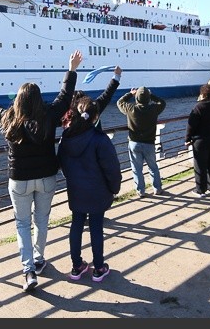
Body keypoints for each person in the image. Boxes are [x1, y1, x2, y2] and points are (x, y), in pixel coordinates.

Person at [0, 50, 83, 292]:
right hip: (46, 177)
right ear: (37, 98)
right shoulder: (48, 116)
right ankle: (38, 258)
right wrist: (71, 69)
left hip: (19, 180)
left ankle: (28, 271)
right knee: (41, 220)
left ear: (18, 100)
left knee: (22, 224)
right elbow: (65, 98)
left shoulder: (7, 119)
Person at [58, 97, 122, 282]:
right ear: (95, 118)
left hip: (76, 189)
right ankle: (99, 268)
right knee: (96, 227)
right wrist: (114, 188)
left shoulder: (66, 138)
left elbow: (62, 163)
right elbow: (112, 168)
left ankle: (77, 266)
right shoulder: (100, 139)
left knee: (76, 225)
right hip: (97, 191)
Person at [117, 86, 167, 197]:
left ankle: (141, 191)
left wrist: (130, 93)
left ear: (137, 99)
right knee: (153, 167)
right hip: (149, 143)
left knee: (136, 169)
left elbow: (119, 102)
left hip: (134, 143)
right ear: (148, 99)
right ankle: (157, 189)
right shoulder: (153, 109)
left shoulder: (131, 109)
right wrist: (151, 95)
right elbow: (162, 102)